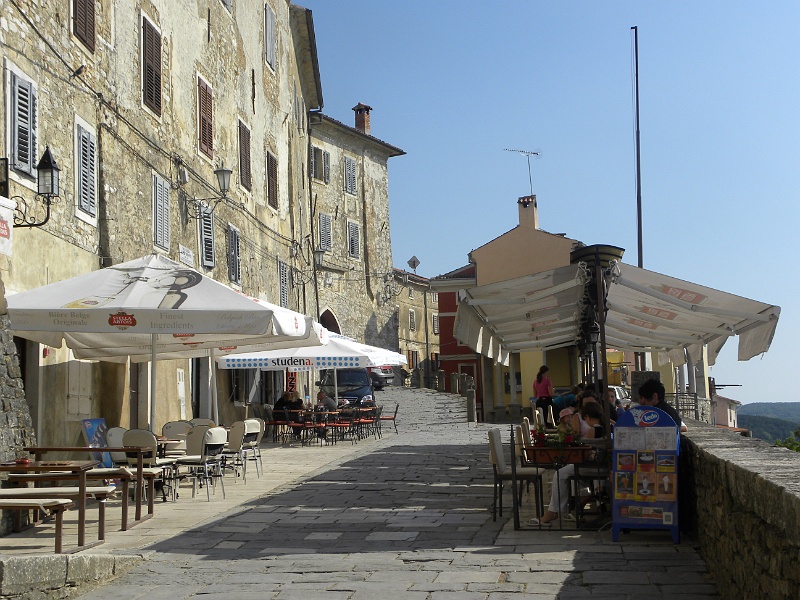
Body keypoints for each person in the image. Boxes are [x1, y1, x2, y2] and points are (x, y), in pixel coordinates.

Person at [532, 401, 605, 526]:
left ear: (587, 417)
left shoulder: (592, 430)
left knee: (560, 474)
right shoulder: (608, 426)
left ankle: (553, 511)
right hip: (602, 466)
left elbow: (585, 453)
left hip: (592, 467)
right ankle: (578, 504)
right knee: (572, 475)